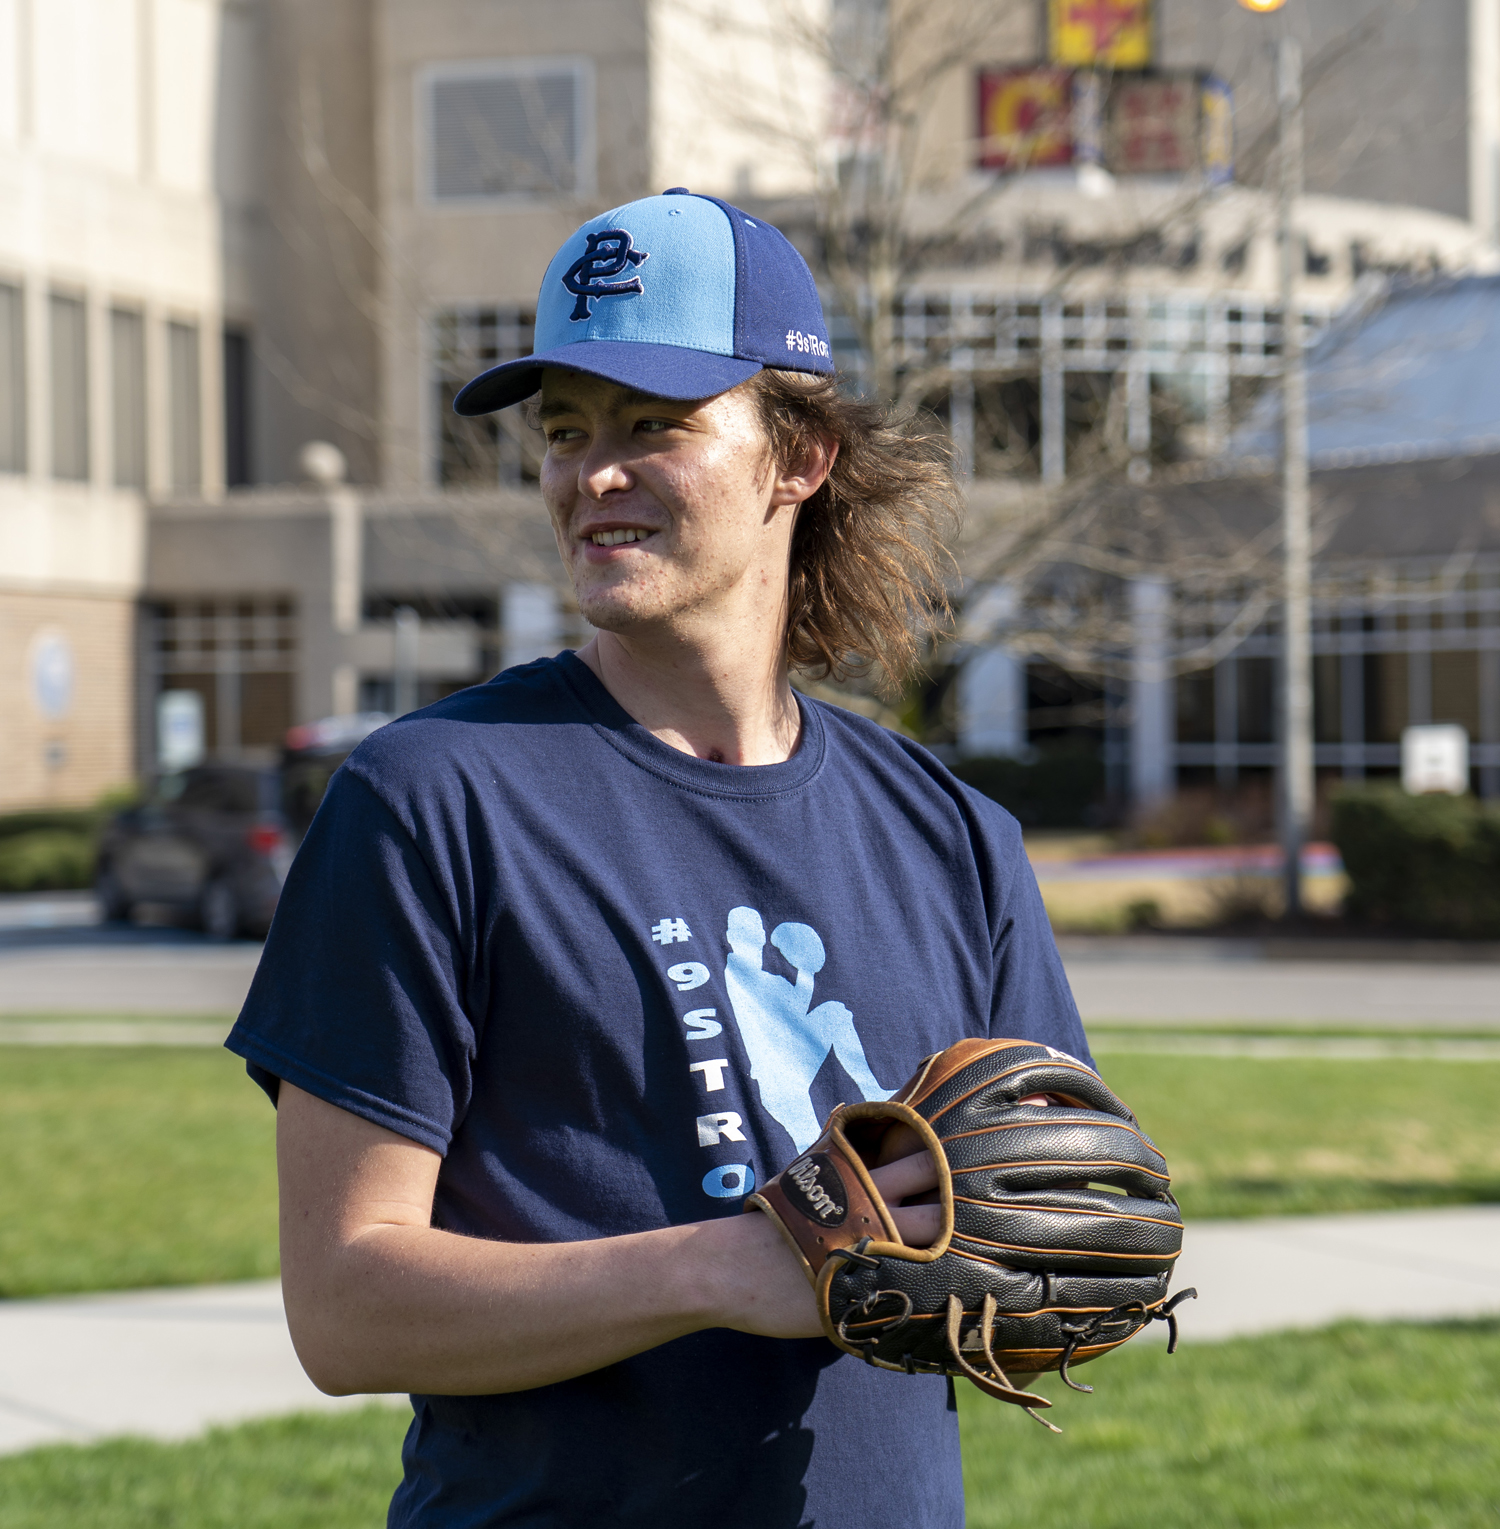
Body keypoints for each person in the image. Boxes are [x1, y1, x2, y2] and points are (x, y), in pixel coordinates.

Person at [226, 187, 1091, 1528]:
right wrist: (728, 1265)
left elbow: (1045, 1235)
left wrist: (1040, 1275)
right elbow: (344, 1306)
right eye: (565, 430)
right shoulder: (434, 798)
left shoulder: (953, 835)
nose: (592, 472)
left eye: (653, 424)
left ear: (796, 457)